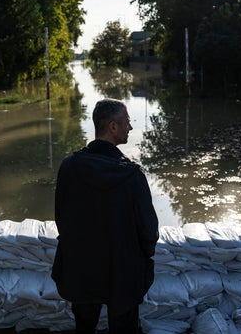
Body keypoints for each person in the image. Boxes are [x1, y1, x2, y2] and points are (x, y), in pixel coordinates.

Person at [52, 98, 159, 334]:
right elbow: (149, 229)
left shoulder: (69, 167)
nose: (130, 127)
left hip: (81, 267)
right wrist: (143, 258)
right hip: (123, 267)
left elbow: (61, 218)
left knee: (84, 325)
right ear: (112, 127)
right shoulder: (132, 175)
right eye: (127, 122)